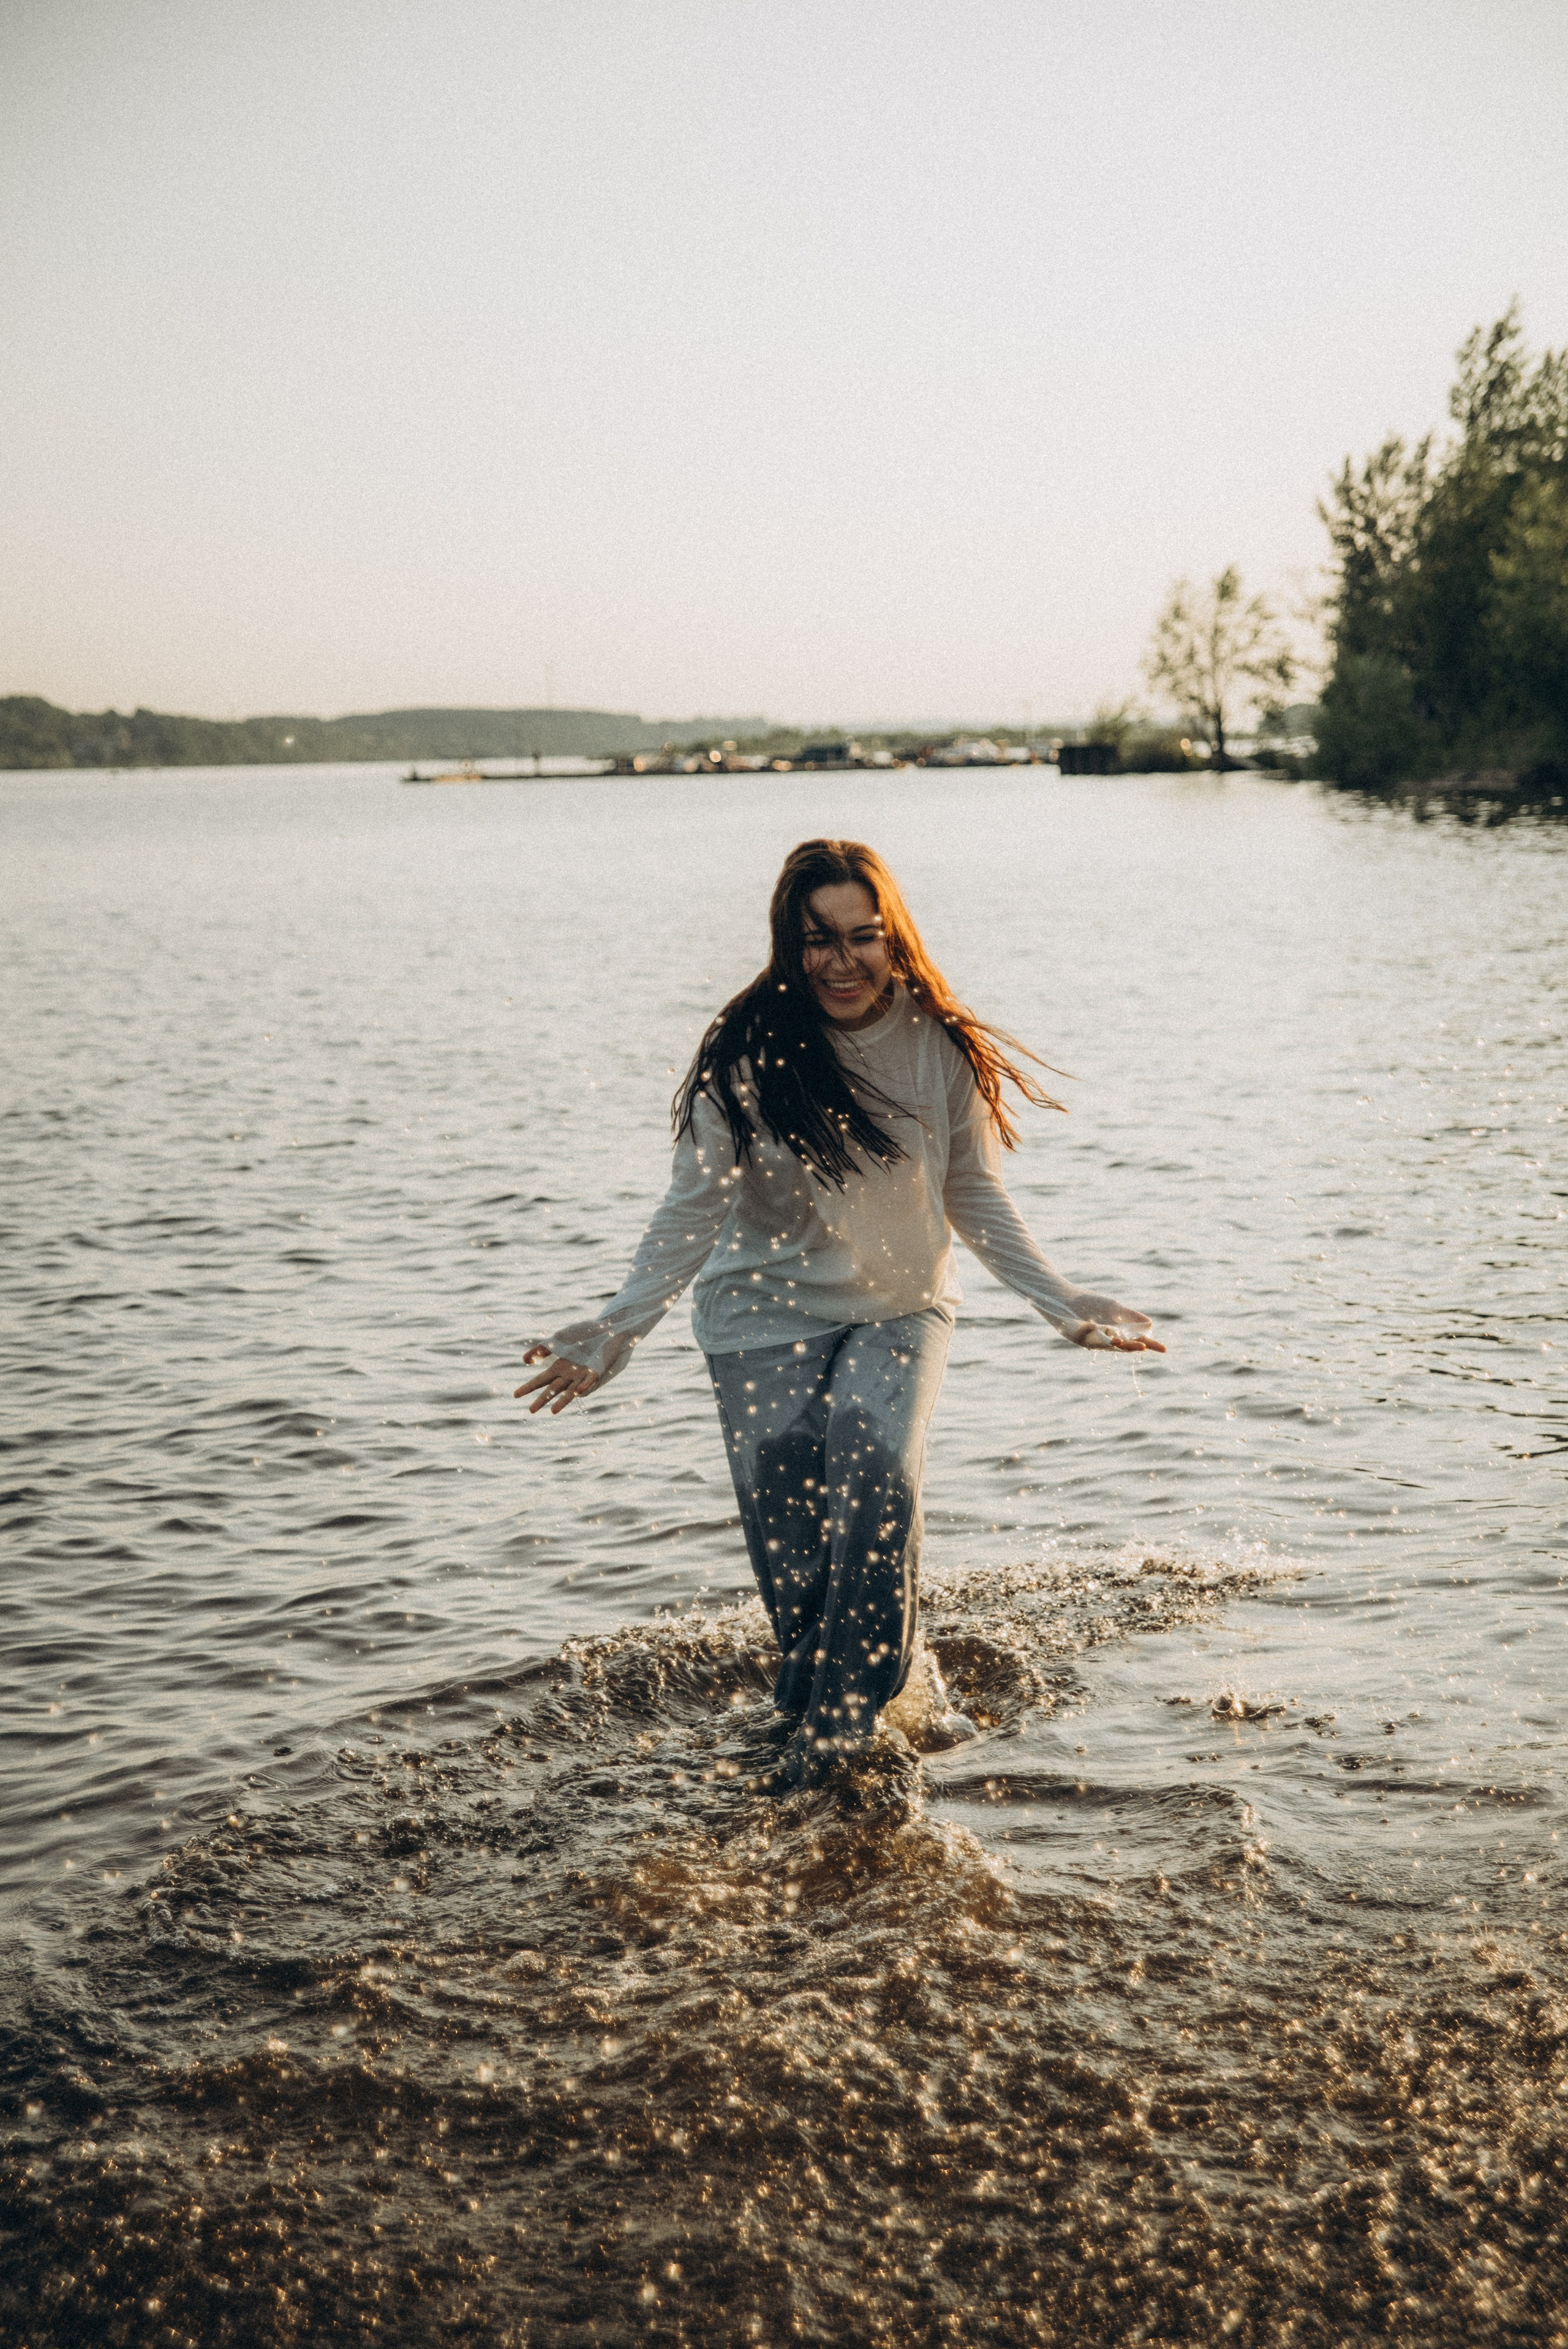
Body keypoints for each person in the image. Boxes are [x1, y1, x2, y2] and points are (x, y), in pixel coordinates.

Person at [516, 838, 1163, 1789]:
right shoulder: (746, 1051)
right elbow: (692, 1205)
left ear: (895, 940)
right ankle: (831, 1706)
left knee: (874, 1462)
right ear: (790, 942)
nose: (842, 961)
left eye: (864, 938)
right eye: (819, 940)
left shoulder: (936, 1041)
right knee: (799, 1565)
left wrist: (1060, 1300)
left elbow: (971, 1192)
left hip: (901, 1308)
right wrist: (619, 1326)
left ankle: (839, 1742)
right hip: (759, 1319)